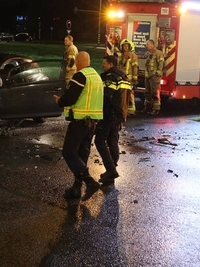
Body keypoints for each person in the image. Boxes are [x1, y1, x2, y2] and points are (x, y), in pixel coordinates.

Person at [54, 50, 104, 203]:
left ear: (79, 61)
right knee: (82, 155)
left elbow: (70, 97)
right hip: (92, 123)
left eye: (76, 61)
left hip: (80, 122)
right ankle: (76, 189)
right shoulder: (96, 76)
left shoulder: (81, 76)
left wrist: (59, 101)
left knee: (68, 152)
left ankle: (89, 182)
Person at [95, 55, 131, 185]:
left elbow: (106, 97)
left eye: (104, 63)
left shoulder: (111, 77)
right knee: (112, 141)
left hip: (109, 114)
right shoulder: (124, 76)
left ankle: (111, 170)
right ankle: (112, 169)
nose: (102, 65)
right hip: (119, 114)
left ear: (110, 64)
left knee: (99, 140)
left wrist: (98, 114)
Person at [118, 39, 139, 115]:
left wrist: (135, 78)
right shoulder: (121, 56)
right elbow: (119, 66)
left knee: (130, 94)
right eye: (124, 46)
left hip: (129, 78)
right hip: (121, 78)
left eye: (127, 46)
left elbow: (135, 67)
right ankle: (124, 109)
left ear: (129, 47)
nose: (125, 47)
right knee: (122, 94)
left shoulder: (133, 56)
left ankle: (131, 110)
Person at [143, 38, 164, 115]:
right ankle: (147, 107)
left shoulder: (158, 53)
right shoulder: (148, 54)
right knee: (147, 92)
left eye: (147, 44)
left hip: (154, 76)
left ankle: (156, 109)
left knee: (154, 93)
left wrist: (158, 72)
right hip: (148, 76)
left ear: (152, 45)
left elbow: (161, 63)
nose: (146, 46)